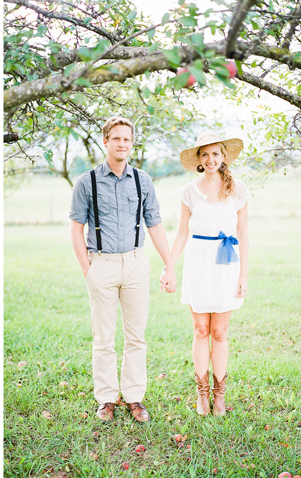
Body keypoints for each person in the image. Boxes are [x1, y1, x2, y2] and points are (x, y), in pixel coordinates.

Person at [69, 116, 175, 423]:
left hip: (135, 263)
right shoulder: (86, 182)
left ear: (132, 143)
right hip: (100, 263)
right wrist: (87, 268)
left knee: (136, 336)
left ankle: (134, 398)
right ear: (106, 141)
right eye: (116, 138)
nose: (122, 144)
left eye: (127, 139)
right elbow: (76, 229)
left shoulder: (143, 180)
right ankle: (106, 398)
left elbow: (154, 224)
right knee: (103, 337)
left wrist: (169, 265)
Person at [167, 131, 250, 416]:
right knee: (201, 329)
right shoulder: (189, 191)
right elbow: (180, 234)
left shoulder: (238, 189)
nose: (211, 159)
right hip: (198, 261)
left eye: (216, 153)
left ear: (224, 156)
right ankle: (202, 393)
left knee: (220, 331)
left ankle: (219, 395)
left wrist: (244, 275)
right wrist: (169, 267)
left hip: (227, 262)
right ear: (199, 160)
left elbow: (243, 234)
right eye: (205, 154)